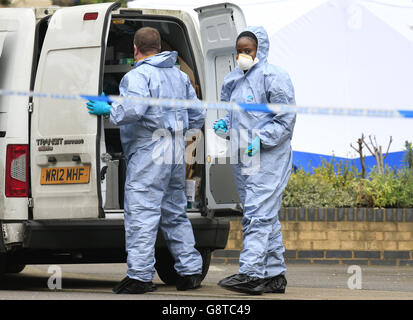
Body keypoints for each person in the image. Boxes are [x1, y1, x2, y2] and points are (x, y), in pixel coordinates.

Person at [86, 27, 205, 294]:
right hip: (175, 149)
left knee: (142, 212)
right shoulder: (179, 75)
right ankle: (190, 271)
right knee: (175, 213)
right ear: (160, 46)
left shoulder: (137, 75)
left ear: (135, 49)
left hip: (150, 150)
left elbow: (133, 109)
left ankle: (139, 276)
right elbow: (197, 114)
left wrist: (110, 109)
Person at [214, 26, 296, 295]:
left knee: (258, 216)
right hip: (244, 160)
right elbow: (229, 114)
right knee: (263, 216)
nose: (242, 56)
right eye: (238, 51)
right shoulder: (232, 80)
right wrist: (224, 125)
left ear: (259, 50)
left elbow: (285, 120)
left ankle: (250, 274)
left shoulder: (275, 77)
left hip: (270, 159)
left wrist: (261, 139)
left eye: (247, 51)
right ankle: (275, 275)